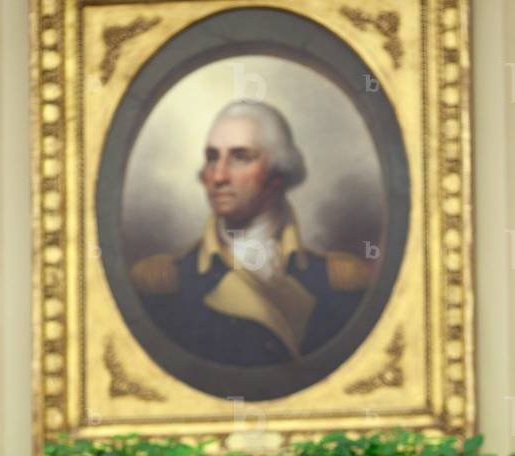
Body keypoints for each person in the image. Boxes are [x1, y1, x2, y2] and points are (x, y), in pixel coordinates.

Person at [130, 101, 374, 366]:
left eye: (240, 157)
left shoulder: (341, 281)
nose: (218, 176)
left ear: (277, 174)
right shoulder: (161, 285)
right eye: (213, 158)